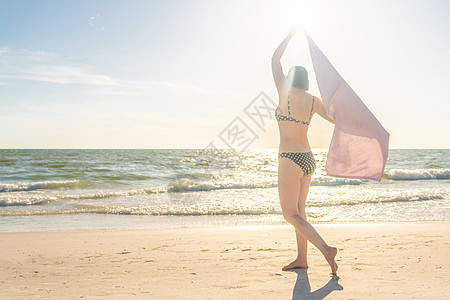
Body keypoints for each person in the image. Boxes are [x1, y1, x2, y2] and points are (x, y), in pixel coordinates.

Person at [272, 26, 338, 275]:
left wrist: (289, 35)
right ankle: (302, 258)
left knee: (290, 214)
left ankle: (326, 249)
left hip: (289, 159)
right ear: (307, 82)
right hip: (308, 159)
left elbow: (274, 59)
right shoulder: (313, 101)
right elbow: (336, 119)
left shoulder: (283, 94)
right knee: (300, 211)